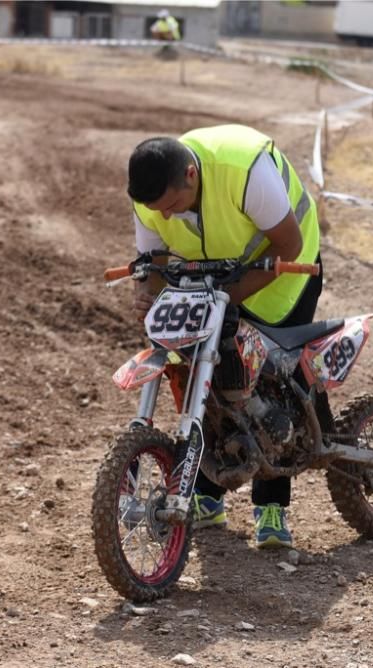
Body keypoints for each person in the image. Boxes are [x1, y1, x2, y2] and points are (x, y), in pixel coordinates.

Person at [126, 124, 322, 549]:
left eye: (173, 205)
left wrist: (227, 298)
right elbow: (152, 265)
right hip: (213, 279)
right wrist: (146, 296)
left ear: (191, 176)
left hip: (285, 271)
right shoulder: (152, 199)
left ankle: (272, 507)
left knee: (274, 375)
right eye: (157, 210)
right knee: (201, 373)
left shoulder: (243, 168)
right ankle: (207, 495)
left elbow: (289, 242)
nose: (165, 217)